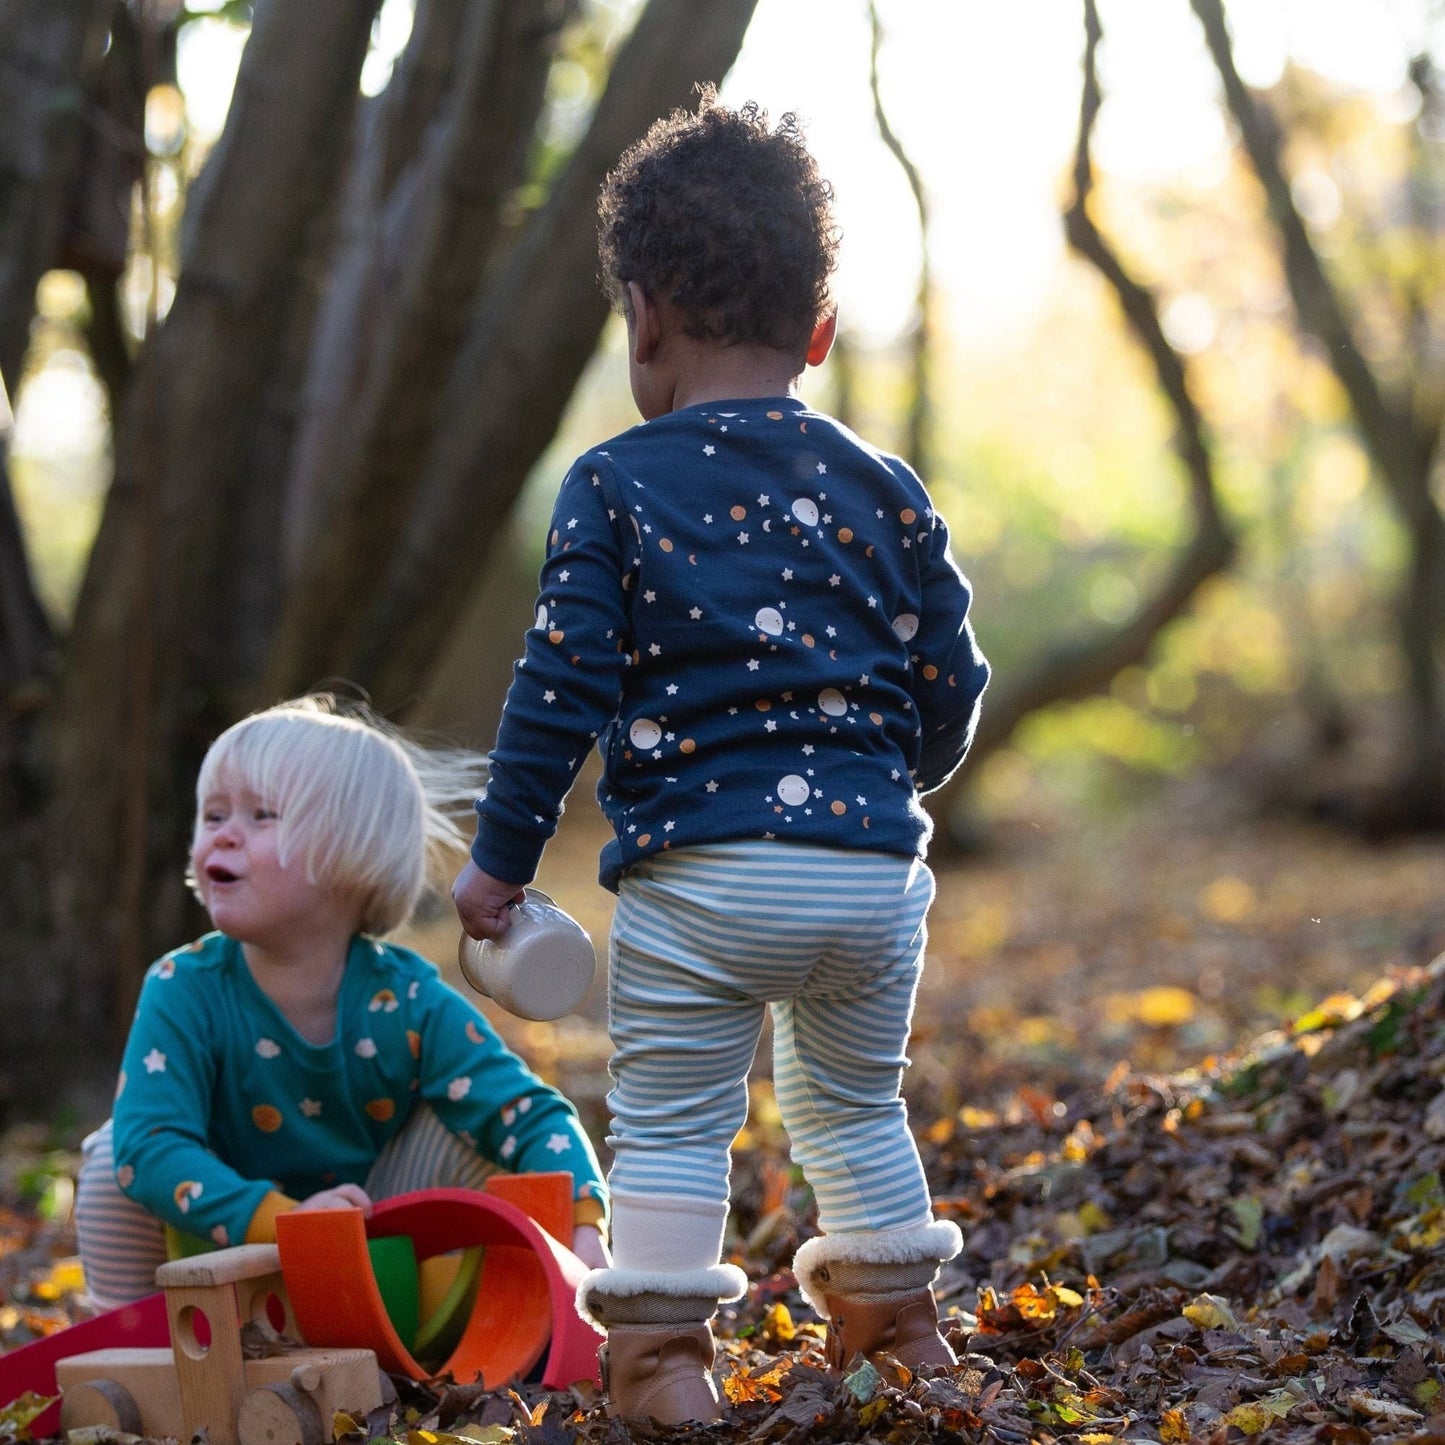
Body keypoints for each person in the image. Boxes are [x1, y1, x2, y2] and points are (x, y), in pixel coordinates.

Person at [453, 92, 989, 1425]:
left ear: (640, 316)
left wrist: (497, 866)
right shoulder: (887, 487)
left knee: (678, 1119)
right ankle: (897, 1336)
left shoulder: (615, 483)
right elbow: (951, 678)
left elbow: (558, 690)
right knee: (856, 1102)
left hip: (702, 885)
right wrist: (886, 791)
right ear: (816, 330)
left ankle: (663, 1367)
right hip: (872, 887)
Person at [75, 696, 609, 1312]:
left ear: (352, 854)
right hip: (219, 1256)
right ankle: (133, 1343)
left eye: (260, 815)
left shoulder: (409, 1000)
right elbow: (151, 1146)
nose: (221, 833)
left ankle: (507, 1316)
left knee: (476, 1132)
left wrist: (584, 1228)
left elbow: (528, 1112)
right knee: (114, 1155)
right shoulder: (183, 986)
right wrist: (290, 1223)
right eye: (213, 814)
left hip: (380, 1251)